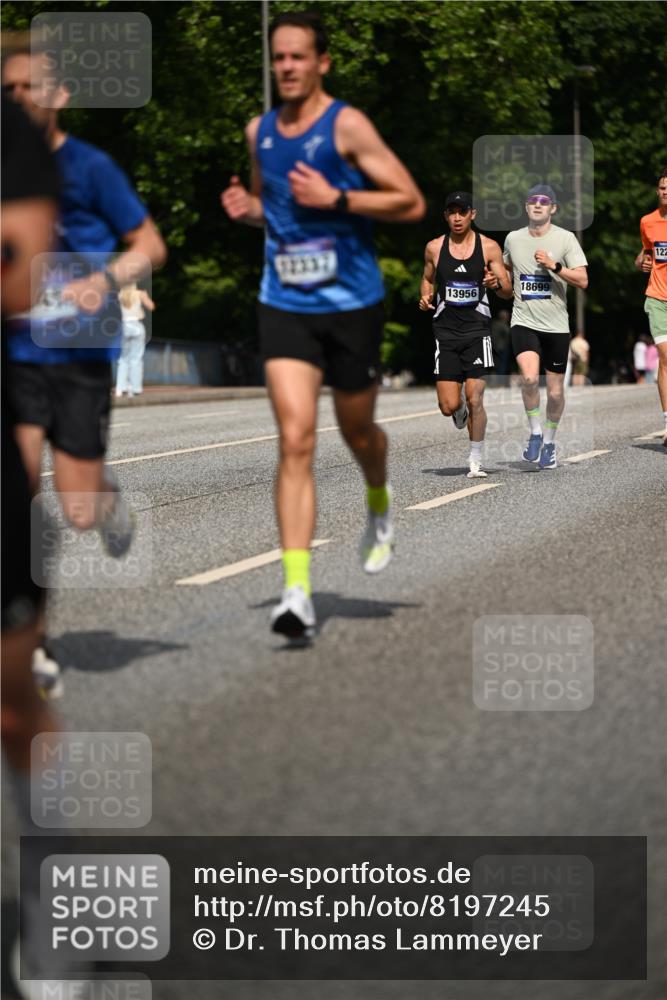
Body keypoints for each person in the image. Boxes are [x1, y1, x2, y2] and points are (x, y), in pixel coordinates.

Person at [221, 11, 425, 641]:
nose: (286, 67)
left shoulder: (347, 125)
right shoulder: (259, 132)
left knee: (358, 431)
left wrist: (338, 198)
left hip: (351, 304)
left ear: (321, 63)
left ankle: (378, 500)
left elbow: (410, 201)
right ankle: (297, 594)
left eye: (298, 57)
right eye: (278, 57)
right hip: (284, 302)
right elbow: (273, 207)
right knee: (296, 438)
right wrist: (248, 211)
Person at [2, 46, 167, 689]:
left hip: (80, 354)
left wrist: (103, 280)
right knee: (19, 498)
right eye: (8, 88)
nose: (19, 98)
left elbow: (149, 244)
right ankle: (33, 641)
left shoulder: (90, 166)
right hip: (16, 354)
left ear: (61, 95)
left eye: (31, 86)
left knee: (76, 510)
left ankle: (104, 494)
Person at [419, 192, 511, 477]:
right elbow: (427, 278)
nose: (457, 218)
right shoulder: (435, 247)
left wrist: (495, 284)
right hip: (445, 332)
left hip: (477, 331)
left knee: (475, 397)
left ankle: (475, 459)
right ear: (446, 216)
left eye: (462, 212)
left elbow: (508, 291)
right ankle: (459, 411)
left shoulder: (489, 247)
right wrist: (425, 297)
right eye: (452, 212)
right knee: (448, 406)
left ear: (473, 214)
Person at [503, 184, 588, 469]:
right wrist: (496, 282)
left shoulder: (565, 239)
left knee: (555, 392)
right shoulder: (513, 239)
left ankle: (550, 443)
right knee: (528, 379)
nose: (537, 205)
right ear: (526, 207)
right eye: (532, 201)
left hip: (556, 326)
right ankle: (536, 433)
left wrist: (555, 266)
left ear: (553, 208)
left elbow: (583, 280)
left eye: (543, 201)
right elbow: (505, 274)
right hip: (523, 320)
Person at [635, 166, 667, 444]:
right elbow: (646, 254)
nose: (666, 192)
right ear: (657, 191)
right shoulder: (647, 222)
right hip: (657, 297)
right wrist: (641, 262)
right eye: (663, 188)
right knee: (666, 357)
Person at [115, 283, 155, 397]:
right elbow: (151, 306)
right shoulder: (140, 294)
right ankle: (135, 388)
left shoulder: (118, 295)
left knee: (123, 359)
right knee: (136, 358)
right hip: (136, 325)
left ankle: (120, 388)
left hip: (123, 326)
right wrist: (145, 297)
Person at [491, 308, 512, 380]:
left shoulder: (493, 323)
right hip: (502, 347)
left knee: (495, 364)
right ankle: (500, 381)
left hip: (494, 346)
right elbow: (509, 333)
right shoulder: (502, 324)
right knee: (503, 365)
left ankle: (495, 380)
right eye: (507, 316)